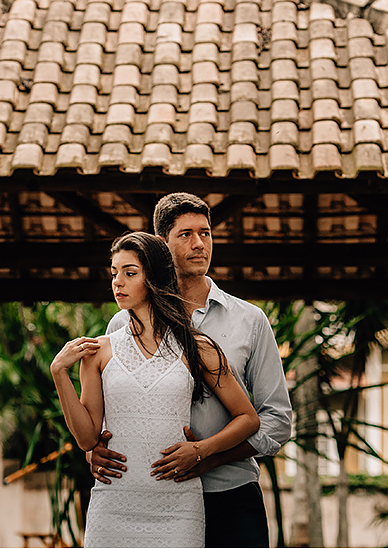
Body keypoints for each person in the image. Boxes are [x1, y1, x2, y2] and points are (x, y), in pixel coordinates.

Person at [91, 193, 294, 548]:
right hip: (149, 498)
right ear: (161, 245)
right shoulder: (121, 324)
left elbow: (277, 420)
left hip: (231, 495)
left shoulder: (250, 321)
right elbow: (109, 410)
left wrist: (207, 456)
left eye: (206, 233)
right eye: (185, 234)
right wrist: (93, 450)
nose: (199, 243)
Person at [51, 231, 260, 548]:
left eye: (129, 273)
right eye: (114, 273)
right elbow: (87, 438)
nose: (117, 282)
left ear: (155, 278)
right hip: (113, 508)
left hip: (177, 509)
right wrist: (59, 374)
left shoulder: (198, 347)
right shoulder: (98, 351)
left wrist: (201, 450)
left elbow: (248, 418)